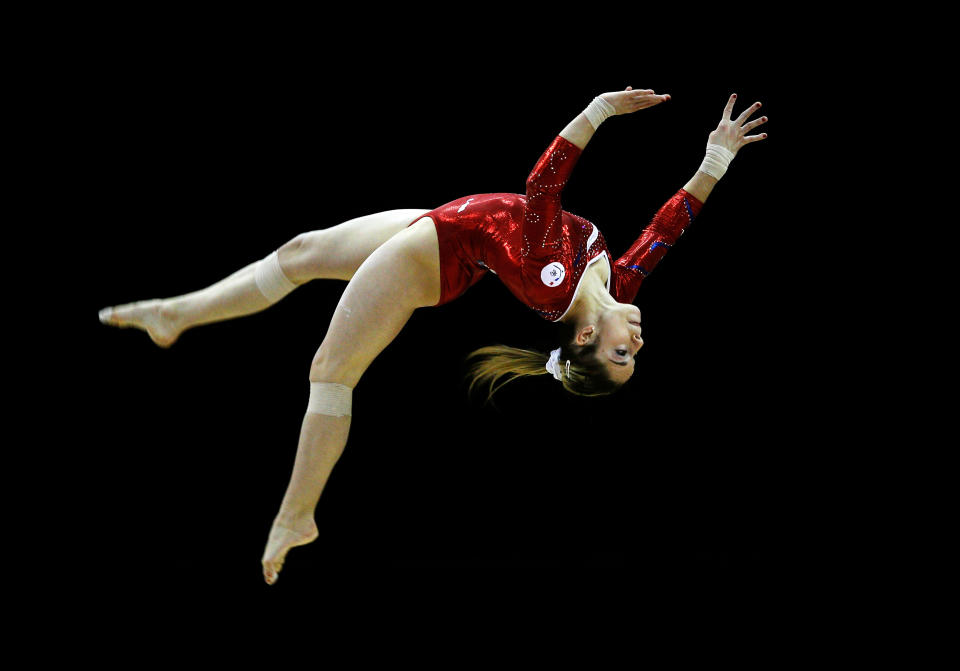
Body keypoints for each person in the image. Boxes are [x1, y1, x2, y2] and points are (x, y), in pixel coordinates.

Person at [98, 87, 768, 583]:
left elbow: (542, 185)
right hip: (446, 228)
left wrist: (595, 112)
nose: (638, 345)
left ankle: (294, 515)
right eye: (635, 356)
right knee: (301, 252)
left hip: (431, 254)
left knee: (330, 370)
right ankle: (175, 314)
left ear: (588, 337)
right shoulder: (616, 287)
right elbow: (666, 229)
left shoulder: (552, 277)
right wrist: (716, 156)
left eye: (621, 357)